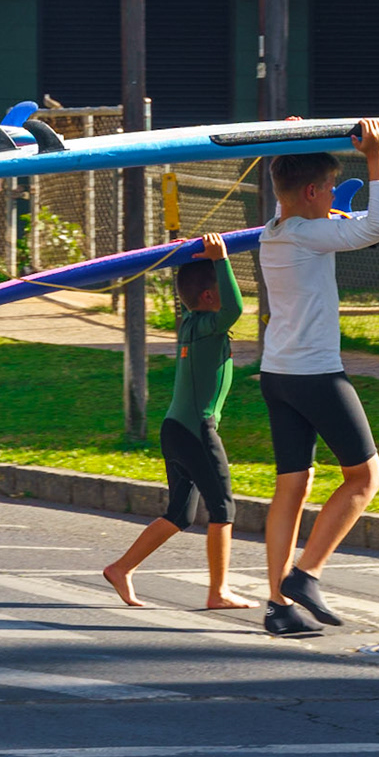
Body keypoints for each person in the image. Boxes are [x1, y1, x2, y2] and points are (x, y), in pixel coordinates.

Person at [258, 118, 379, 638]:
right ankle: (305, 575)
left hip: (277, 374)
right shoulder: (311, 234)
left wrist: (297, 139)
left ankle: (277, 607)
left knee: (293, 486)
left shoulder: (275, 229)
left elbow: (290, 195)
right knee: (365, 478)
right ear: (314, 191)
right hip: (316, 375)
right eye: (333, 189)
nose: (338, 196)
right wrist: (376, 157)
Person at [102, 233, 252, 610]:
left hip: (175, 429)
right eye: (220, 286)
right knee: (223, 509)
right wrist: (221, 260)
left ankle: (121, 568)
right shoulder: (207, 325)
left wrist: (182, 256)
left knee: (181, 513)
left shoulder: (190, 323)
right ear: (207, 297)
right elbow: (235, 309)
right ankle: (218, 592)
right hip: (197, 430)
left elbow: (210, 301)